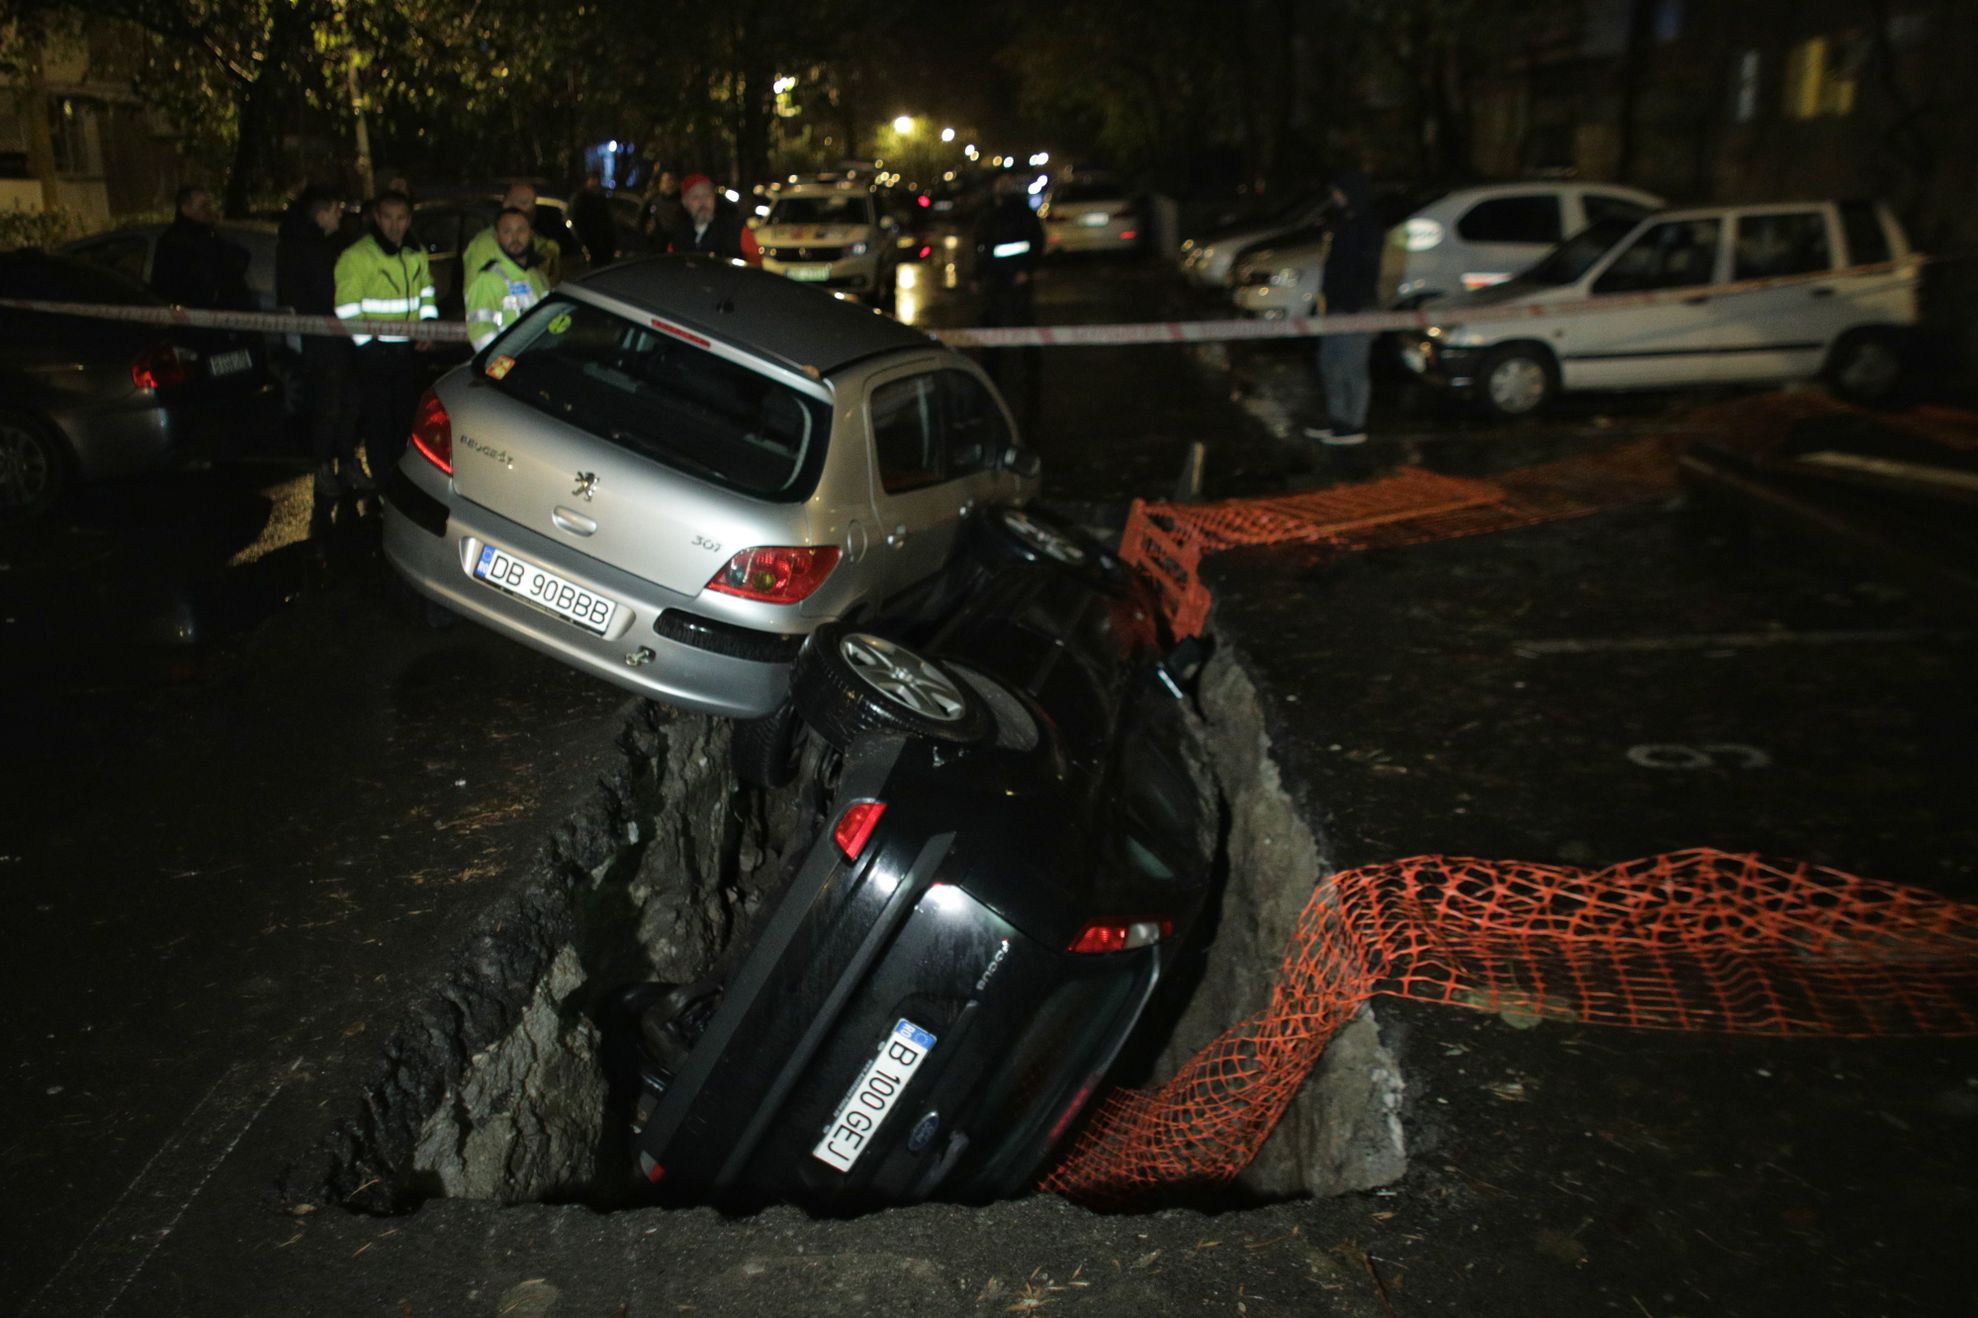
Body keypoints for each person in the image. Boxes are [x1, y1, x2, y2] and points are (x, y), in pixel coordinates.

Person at [333, 191, 436, 484]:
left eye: (401, 218)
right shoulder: (357, 256)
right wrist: (369, 348)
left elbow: (426, 290)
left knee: (406, 421)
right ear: (377, 218)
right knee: (378, 424)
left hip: (409, 352)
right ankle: (384, 485)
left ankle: (400, 478)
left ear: (409, 219)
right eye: (388, 217)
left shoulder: (414, 252)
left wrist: (427, 324)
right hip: (375, 356)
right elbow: (346, 308)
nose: (394, 225)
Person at [277, 184, 365, 497]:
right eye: (336, 210)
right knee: (328, 406)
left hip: (345, 339)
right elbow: (324, 293)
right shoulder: (304, 247)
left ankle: (347, 463)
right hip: (325, 343)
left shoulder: (332, 243)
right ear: (320, 213)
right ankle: (324, 469)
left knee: (349, 404)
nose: (340, 215)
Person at [1303, 167, 1382, 447]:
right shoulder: (1343, 221)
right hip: (1336, 307)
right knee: (1330, 364)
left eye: (1338, 191)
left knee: (1351, 367)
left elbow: (1367, 268)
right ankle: (1337, 419)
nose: (1334, 196)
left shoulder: (1367, 224)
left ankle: (1353, 424)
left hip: (1355, 308)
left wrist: (1353, 301)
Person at [151, 184, 251, 310]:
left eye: (208, 205)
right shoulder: (177, 241)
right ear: (185, 209)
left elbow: (240, 257)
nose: (208, 211)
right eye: (203, 206)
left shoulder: (207, 235)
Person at [465, 207, 549, 352]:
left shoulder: (538, 278)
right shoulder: (487, 280)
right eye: (507, 231)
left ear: (530, 233)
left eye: (521, 230)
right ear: (497, 236)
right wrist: (503, 368)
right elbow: (479, 332)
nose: (515, 238)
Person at [463, 182, 564, 287]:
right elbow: (477, 292)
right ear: (506, 204)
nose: (530, 208)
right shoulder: (482, 246)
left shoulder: (545, 246)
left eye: (533, 203)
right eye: (524, 202)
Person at [664, 174, 761, 264]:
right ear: (685, 202)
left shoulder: (737, 231)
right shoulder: (678, 241)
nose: (703, 202)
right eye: (695, 197)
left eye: (707, 195)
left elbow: (756, 270)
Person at [569, 171, 617, 267]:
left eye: (596, 179)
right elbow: (577, 222)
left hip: (603, 247)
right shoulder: (580, 199)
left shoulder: (601, 199)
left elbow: (608, 222)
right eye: (592, 179)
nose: (595, 182)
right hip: (590, 245)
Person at [641, 170, 684, 242]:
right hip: (655, 243)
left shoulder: (682, 202)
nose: (669, 184)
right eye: (665, 182)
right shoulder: (653, 201)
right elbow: (643, 220)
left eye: (671, 181)